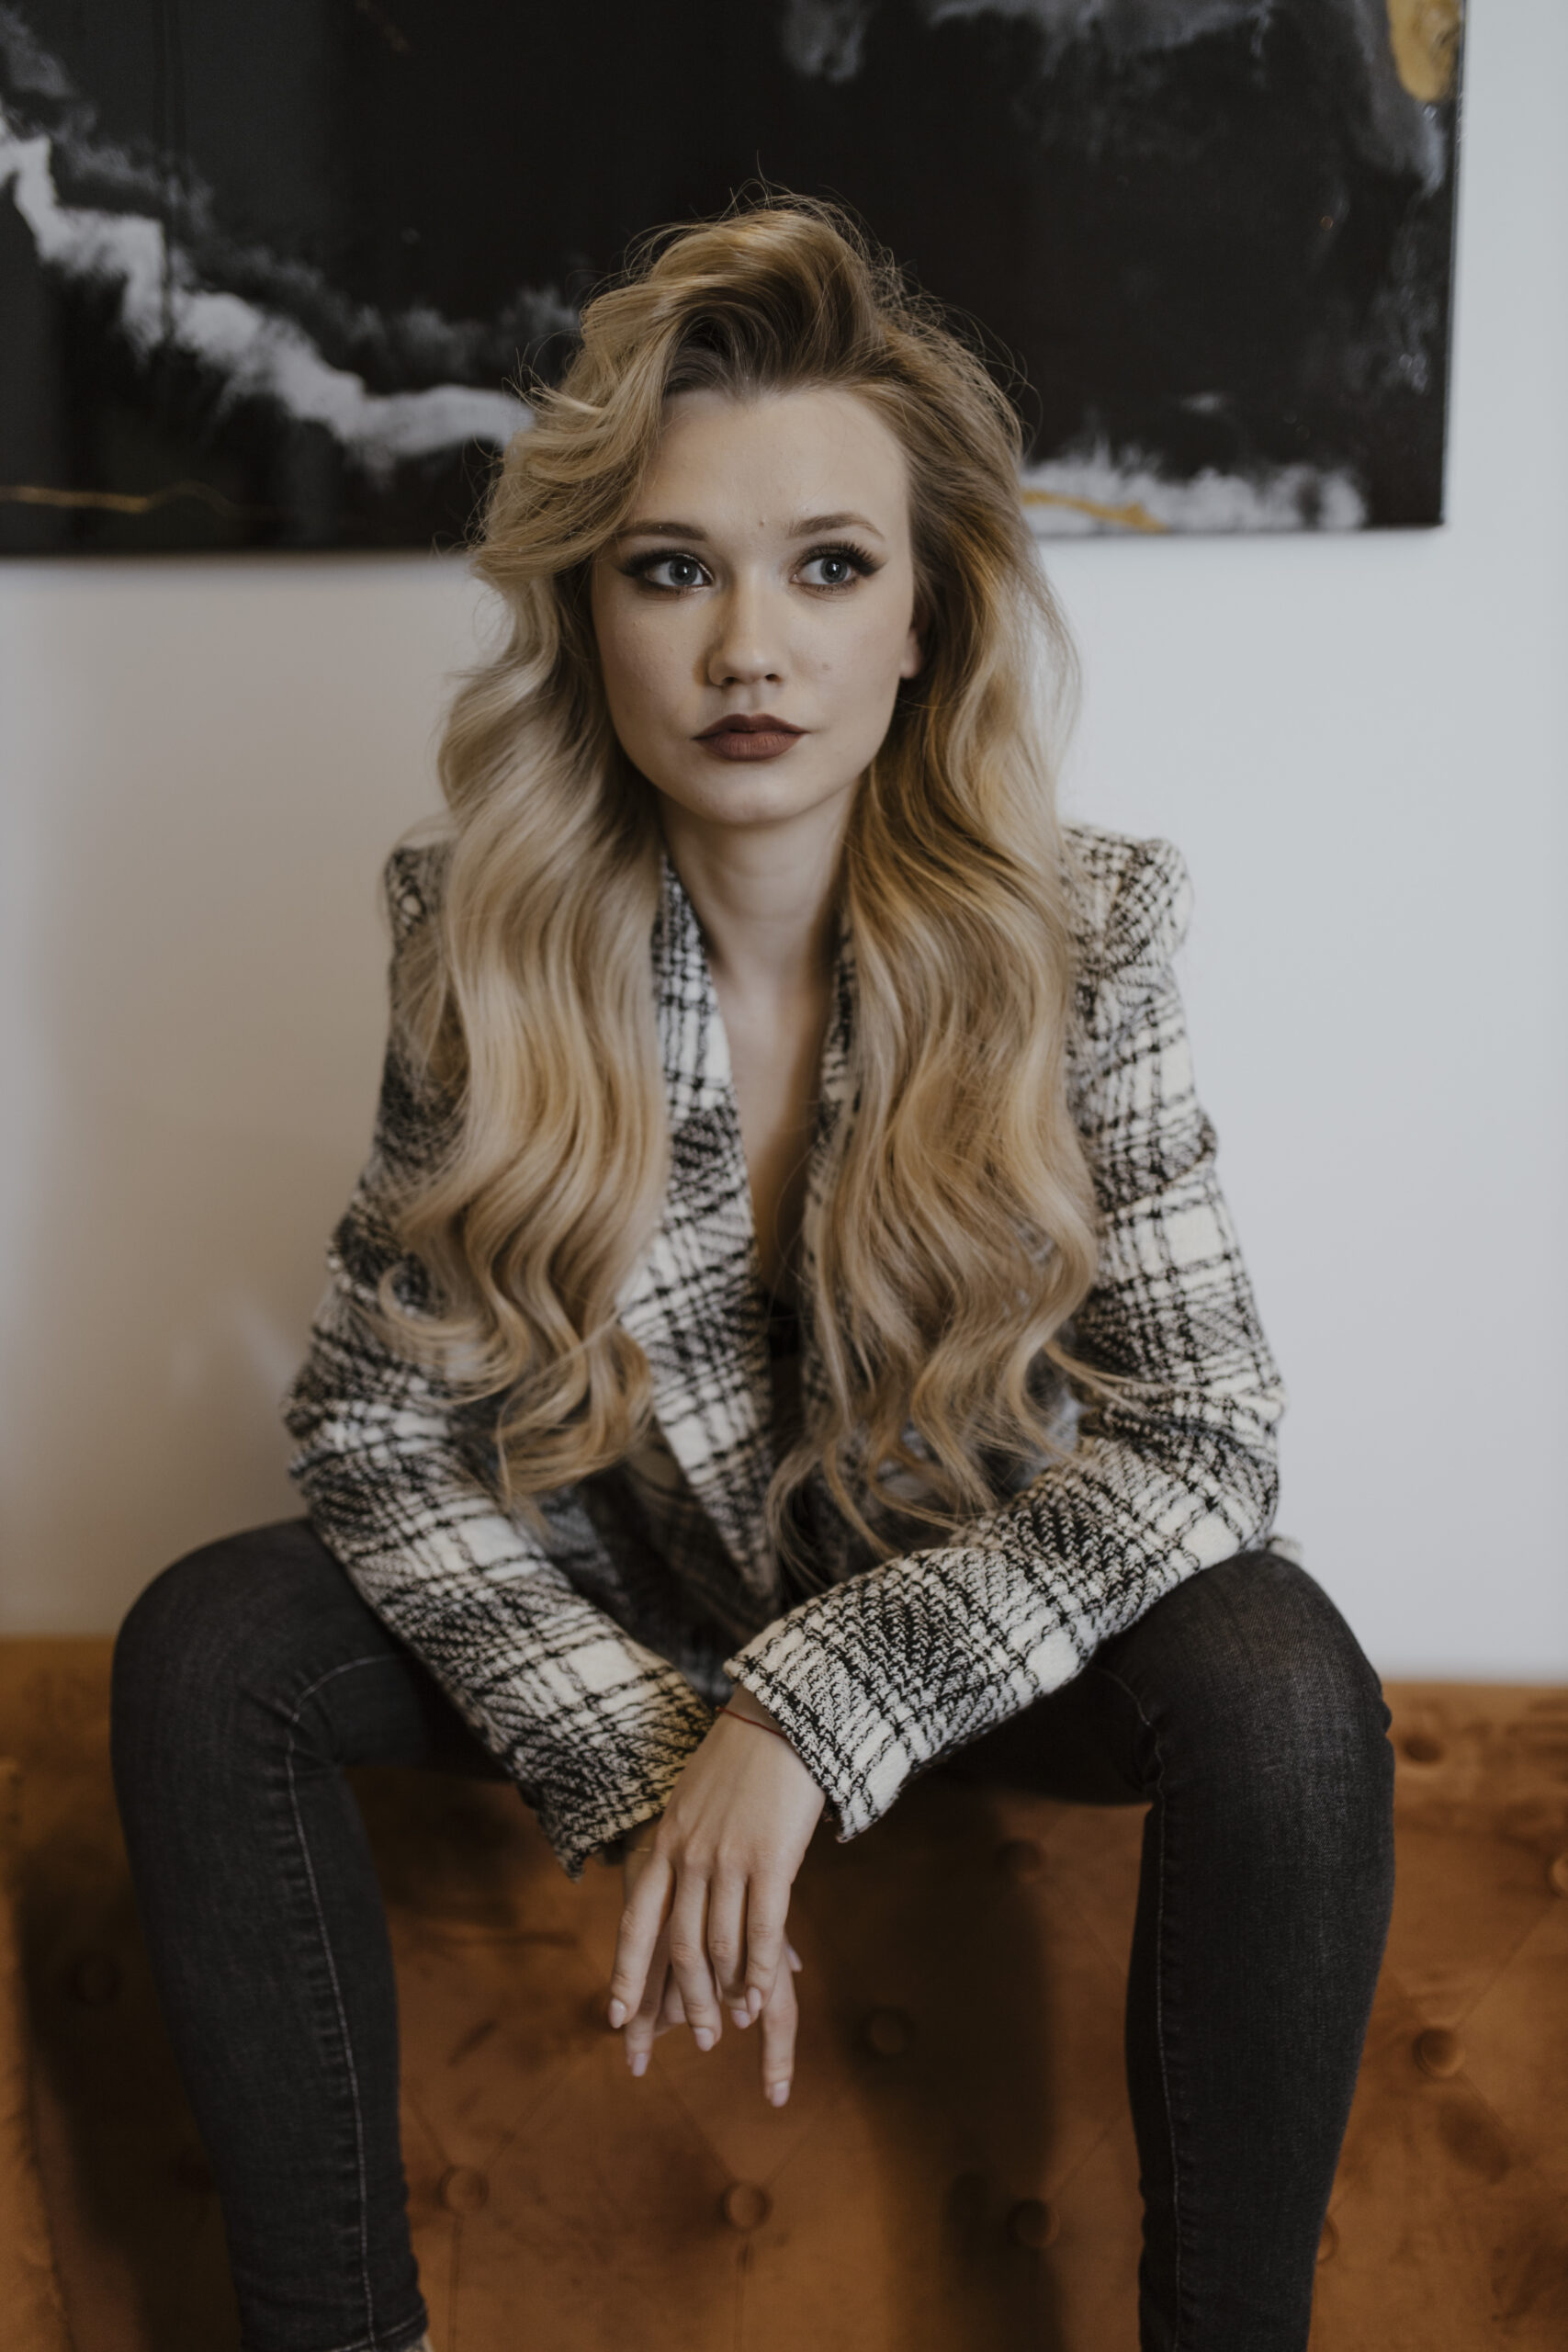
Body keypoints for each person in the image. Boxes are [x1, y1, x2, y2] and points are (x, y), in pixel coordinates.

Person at [111, 196, 1394, 2352]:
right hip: (619, 1593)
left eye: (825, 566)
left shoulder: (1085, 933)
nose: (746, 651)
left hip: (957, 1621)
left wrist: (810, 1711)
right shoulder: (485, 935)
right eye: (669, 569)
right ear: (587, 617)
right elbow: (368, 1418)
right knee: (207, 1638)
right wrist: (643, 1738)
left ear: (920, 619)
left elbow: (1203, 1430)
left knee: (1280, 1672)